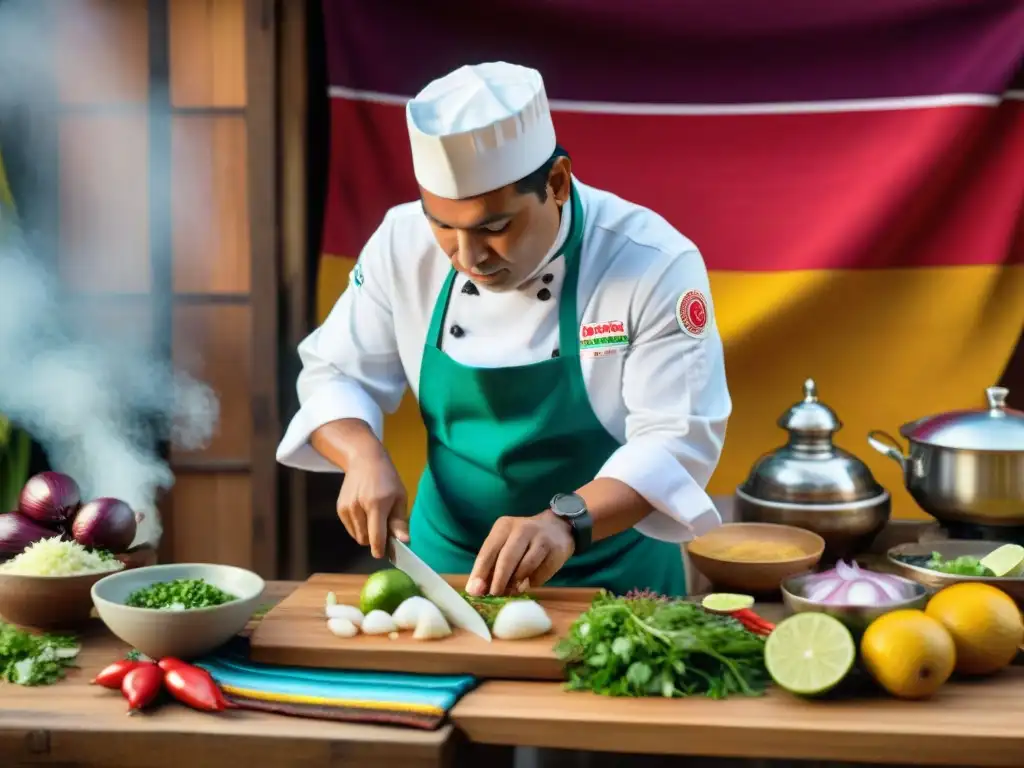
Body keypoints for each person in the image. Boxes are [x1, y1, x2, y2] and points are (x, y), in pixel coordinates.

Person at [277, 62, 730, 598]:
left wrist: (565, 524)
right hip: (445, 568)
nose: (467, 257)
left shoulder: (651, 262)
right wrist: (361, 454)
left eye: (495, 228)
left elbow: (674, 437)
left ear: (556, 184)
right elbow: (334, 373)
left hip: (612, 576)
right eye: (442, 225)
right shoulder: (399, 242)